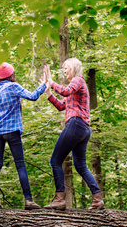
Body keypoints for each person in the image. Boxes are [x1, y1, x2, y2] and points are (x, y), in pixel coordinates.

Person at [43, 58, 104, 210]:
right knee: (80, 165)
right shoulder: (75, 86)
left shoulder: (78, 80)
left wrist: (51, 81)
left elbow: (65, 91)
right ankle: (97, 199)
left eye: (66, 68)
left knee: (55, 161)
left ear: (74, 68)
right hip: (83, 129)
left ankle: (59, 199)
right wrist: (49, 92)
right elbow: (61, 106)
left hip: (76, 124)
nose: (64, 71)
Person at [0, 62, 46, 210]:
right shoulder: (13, 87)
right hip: (12, 130)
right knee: (20, 164)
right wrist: (44, 85)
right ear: (11, 75)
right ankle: (28, 200)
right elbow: (32, 96)